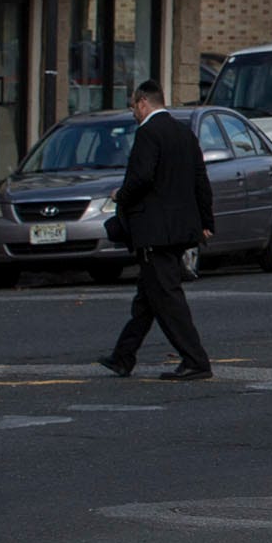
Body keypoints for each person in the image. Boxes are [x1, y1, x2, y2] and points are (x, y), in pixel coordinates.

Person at [99, 81, 214, 382]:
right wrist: (206, 221)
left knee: (167, 300)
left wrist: (119, 196)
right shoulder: (184, 133)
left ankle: (196, 360)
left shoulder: (148, 134)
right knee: (147, 300)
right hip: (179, 230)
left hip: (155, 232)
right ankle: (123, 357)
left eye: (133, 106)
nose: (133, 112)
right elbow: (201, 180)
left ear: (142, 103)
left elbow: (142, 177)